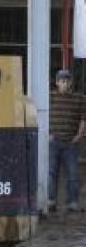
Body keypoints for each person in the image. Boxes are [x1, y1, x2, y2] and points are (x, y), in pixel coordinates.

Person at [48, 68, 86, 214]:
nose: (64, 83)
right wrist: (49, 133)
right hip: (54, 141)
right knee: (51, 173)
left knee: (73, 174)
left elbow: (83, 118)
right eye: (61, 80)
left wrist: (79, 135)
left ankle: (73, 203)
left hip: (71, 142)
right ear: (57, 82)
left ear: (71, 82)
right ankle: (50, 201)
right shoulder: (50, 97)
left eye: (67, 80)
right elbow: (42, 113)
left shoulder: (80, 99)